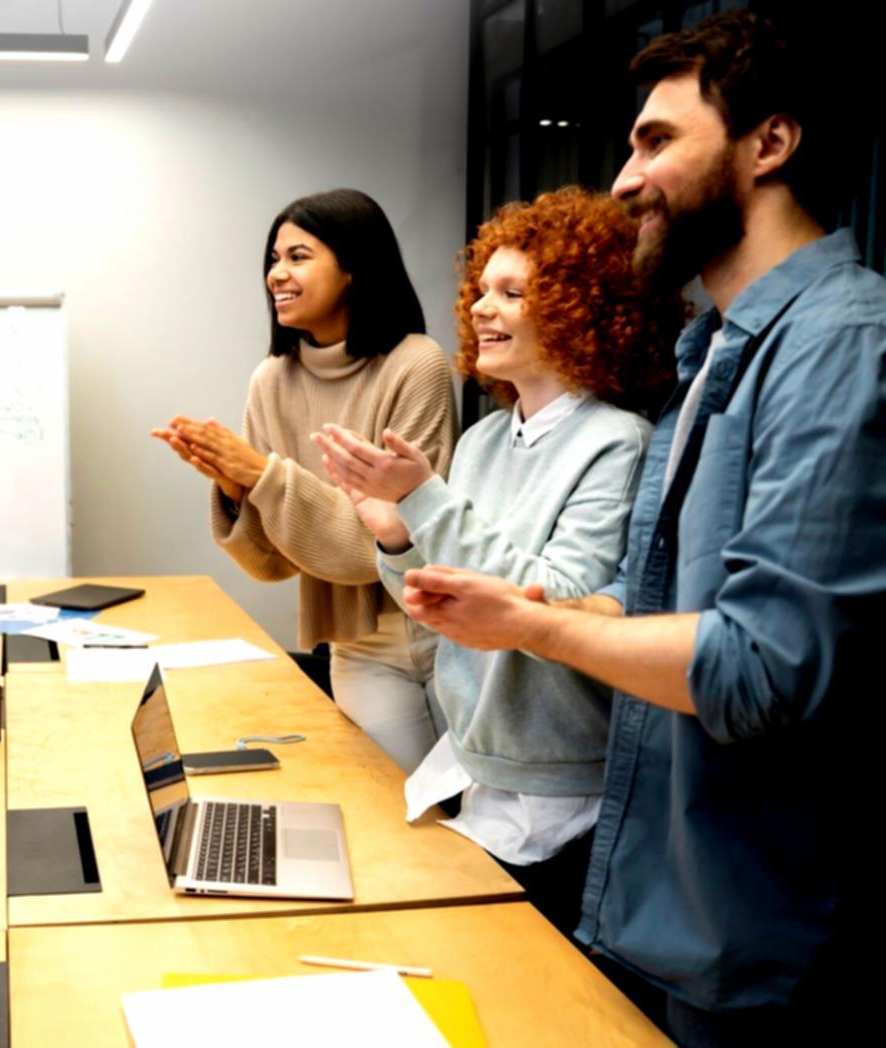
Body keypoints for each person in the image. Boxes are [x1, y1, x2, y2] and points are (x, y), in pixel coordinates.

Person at [396, 12, 882, 1041]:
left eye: (655, 140)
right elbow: (648, 598)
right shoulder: (712, 355)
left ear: (768, 143)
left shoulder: (839, 344)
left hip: (769, 925)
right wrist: (526, 609)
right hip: (671, 894)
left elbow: (760, 666)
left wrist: (533, 625)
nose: (624, 180)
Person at [313, 187, 682, 936]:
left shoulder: (616, 442)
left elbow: (556, 602)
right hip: (481, 764)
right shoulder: (484, 439)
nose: (481, 308)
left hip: (561, 793)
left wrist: (424, 502)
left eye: (512, 293)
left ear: (582, 309)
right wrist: (396, 539)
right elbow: (439, 605)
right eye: (482, 290)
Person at [152, 189, 457, 770]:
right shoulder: (271, 380)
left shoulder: (417, 364)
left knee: (475, 812)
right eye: (274, 258)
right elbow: (273, 564)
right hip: (356, 643)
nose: (277, 274)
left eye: (298, 256)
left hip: (445, 630)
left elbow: (387, 543)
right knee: (397, 803)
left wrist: (262, 475)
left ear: (353, 267)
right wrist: (238, 490)